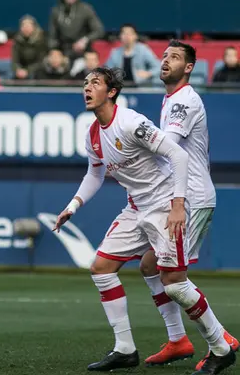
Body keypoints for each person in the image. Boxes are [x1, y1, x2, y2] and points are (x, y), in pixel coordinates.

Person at [53, 66, 236, 375]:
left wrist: (178, 205)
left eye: (94, 83)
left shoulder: (132, 123)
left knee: (175, 283)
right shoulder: (94, 134)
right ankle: (125, 349)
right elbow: (95, 174)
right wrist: (73, 205)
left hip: (166, 207)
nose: (86, 88)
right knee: (101, 268)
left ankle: (221, 347)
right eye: (85, 83)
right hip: (136, 208)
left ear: (111, 92)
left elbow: (178, 155)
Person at [142, 40, 239, 370]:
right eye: (165, 55)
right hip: (180, 195)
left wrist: (130, 140)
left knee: (173, 279)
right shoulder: (171, 99)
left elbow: (166, 145)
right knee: (150, 265)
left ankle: (220, 344)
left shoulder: (184, 101)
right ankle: (178, 340)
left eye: (175, 57)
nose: (166, 60)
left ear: (189, 68)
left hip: (191, 198)